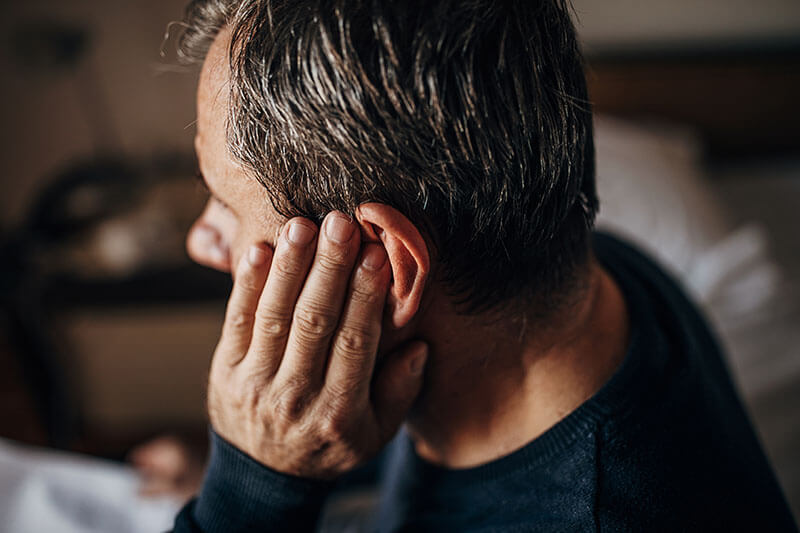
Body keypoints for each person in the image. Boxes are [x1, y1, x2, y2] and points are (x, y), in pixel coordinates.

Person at [171, 0, 797, 531]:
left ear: (382, 264)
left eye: (225, 203)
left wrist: (247, 499)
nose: (203, 240)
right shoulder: (595, 271)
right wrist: (265, 460)